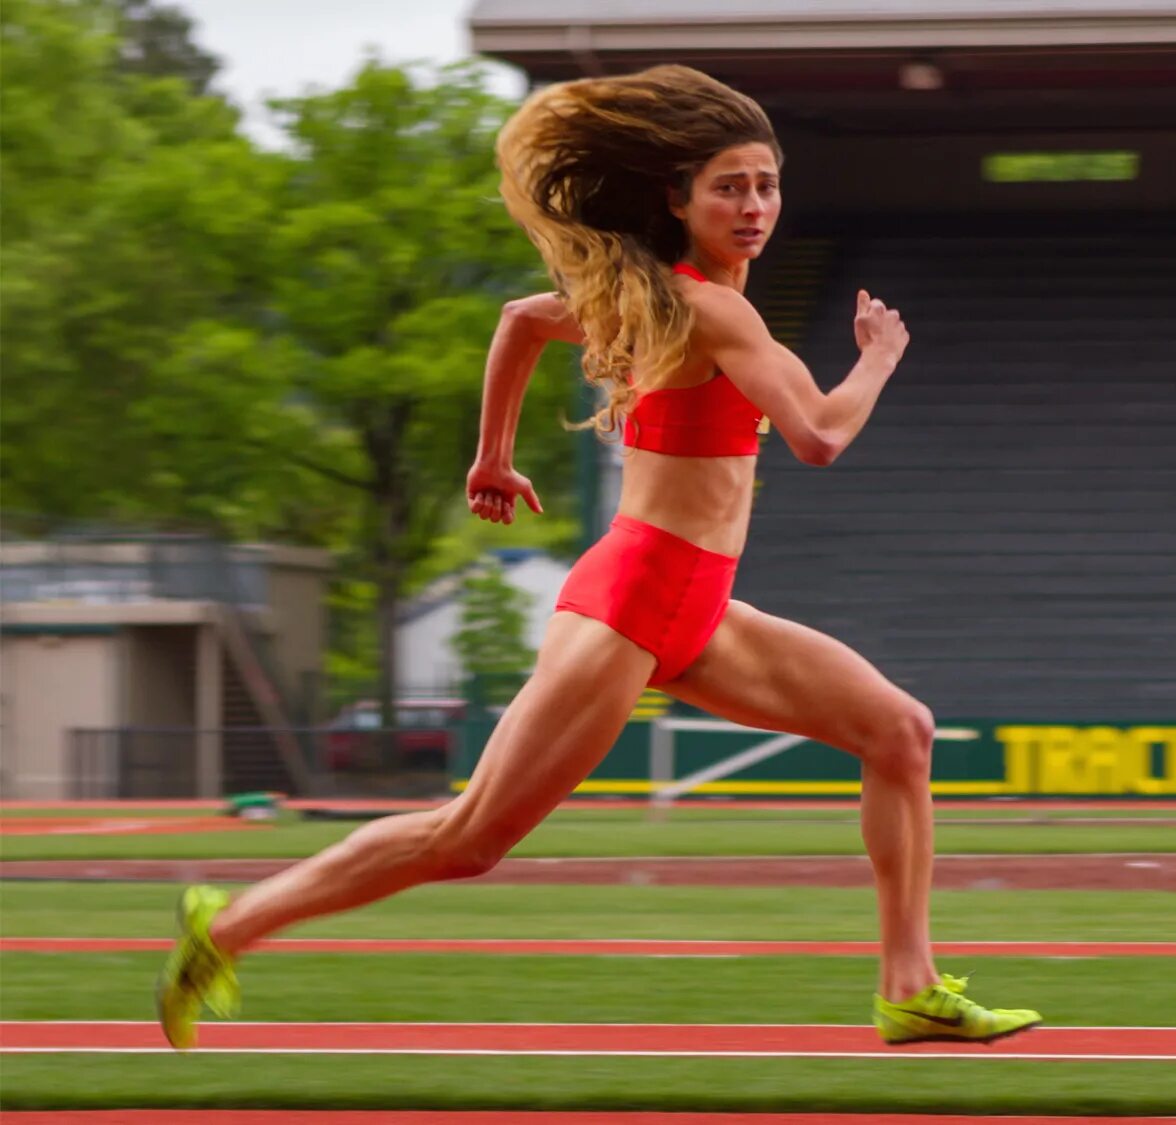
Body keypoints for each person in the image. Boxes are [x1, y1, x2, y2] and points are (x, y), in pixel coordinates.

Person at [156, 64, 1040, 1051]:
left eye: (766, 185)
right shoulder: (710, 309)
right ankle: (226, 926)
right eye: (728, 187)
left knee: (898, 734)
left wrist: (493, 458)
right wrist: (877, 357)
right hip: (629, 603)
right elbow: (819, 438)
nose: (753, 207)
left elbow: (521, 320)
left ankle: (909, 987)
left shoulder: (656, 299)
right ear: (678, 199)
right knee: (469, 841)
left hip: (696, 607)